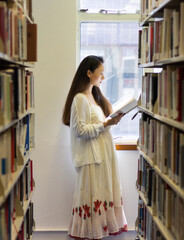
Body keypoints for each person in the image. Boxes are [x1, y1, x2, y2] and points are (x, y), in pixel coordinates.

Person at [62, 55, 128, 239]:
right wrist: (105, 125)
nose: (103, 77)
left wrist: (111, 122)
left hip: (103, 155)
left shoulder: (94, 96)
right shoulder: (80, 99)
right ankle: (90, 233)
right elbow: (79, 131)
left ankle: (99, 232)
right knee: (90, 196)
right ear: (89, 73)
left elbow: (98, 124)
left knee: (102, 194)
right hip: (91, 157)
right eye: (101, 73)